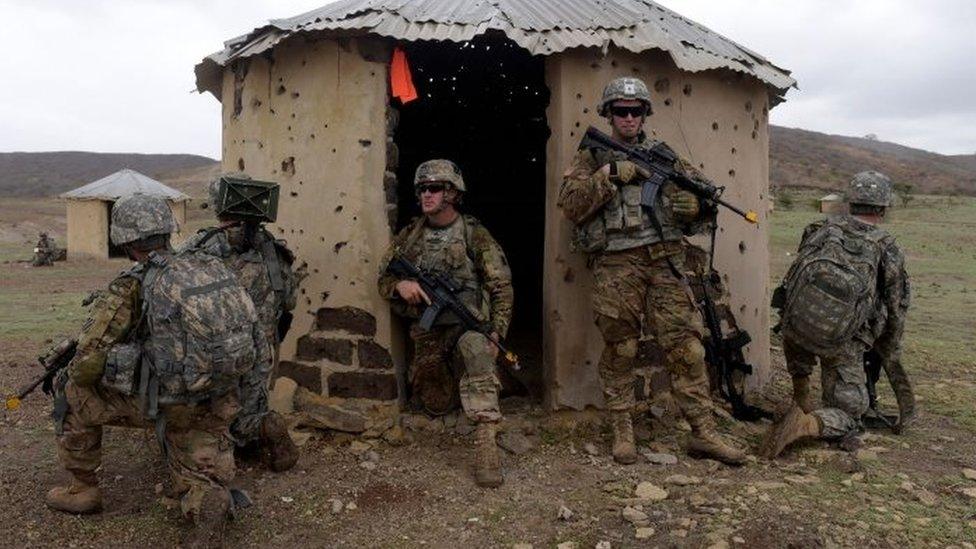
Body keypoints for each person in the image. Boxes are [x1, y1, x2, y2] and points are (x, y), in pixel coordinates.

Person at [47, 193, 265, 546]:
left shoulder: (133, 282)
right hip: (219, 400)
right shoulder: (210, 267)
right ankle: (209, 498)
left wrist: (121, 361)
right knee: (200, 475)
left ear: (126, 240)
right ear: (167, 230)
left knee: (70, 390)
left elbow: (86, 366)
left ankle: (82, 489)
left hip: (171, 403)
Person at [558, 77, 746, 466]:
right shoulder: (592, 158)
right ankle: (623, 430)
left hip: (665, 260)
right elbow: (571, 205)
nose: (628, 117)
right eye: (621, 111)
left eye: (636, 110)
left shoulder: (664, 155)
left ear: (645, 114)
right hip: (616, 264)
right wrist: (608, 176)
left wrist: (695, 208)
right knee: (621, 347)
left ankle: (703, 433)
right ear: (608, 114)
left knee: (687, 348)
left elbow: (704, 194)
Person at [378, 159, 513, 487]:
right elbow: (384, 276)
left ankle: (485, 442)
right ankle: (468, 379)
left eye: (434, 188)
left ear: (452, 193)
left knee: (476, 350)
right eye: (422, 188)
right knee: (435, 405)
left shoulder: (473, 233)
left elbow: (501, 286)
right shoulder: (410, 235)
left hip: (467, 325)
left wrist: (496, 331)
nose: (426, 194)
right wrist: (400, 285)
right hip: (429, 331)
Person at [761, 171, 913, 458]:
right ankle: (807, 423)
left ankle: (801, 397)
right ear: (883, 207)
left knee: (804, 349)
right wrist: (888, 349)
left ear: (849, 202)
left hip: (795, 330)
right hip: (842, 342)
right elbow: (896, 308)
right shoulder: (887, 246)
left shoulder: (817, 229)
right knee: (851, 417)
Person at [180, 174, 304, 472]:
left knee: (209, 411)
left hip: (212, 353)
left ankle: (217, 456)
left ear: (218, 205)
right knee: (251, 403)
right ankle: (261, 429)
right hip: (258, 351)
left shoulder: (199, 247)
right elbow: (288, 301)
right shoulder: (274, 250)